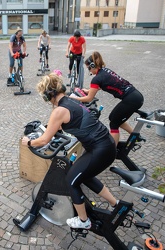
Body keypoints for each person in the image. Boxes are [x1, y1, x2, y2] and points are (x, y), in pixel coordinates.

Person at [21, 73, 118, 229]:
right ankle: (116, 204)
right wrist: (50, 127)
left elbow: (44, 140)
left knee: (71, 180)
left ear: (48, 95)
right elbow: (66, 123)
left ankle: (83, 221)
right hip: (107, 145)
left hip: (100, 150)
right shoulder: (71, 102)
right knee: (84, 176)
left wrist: (29, 142)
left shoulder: (59, 111)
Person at [70, 51, 144, 145]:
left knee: (113, 123)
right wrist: (88, 90)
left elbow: (89, 99)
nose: (89, 71)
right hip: (136, 95)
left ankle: (112, 151)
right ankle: (136, 135)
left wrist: (74, 98)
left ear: (92, 66)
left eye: (89, 69)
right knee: (114, 117)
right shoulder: (105, 71)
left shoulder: (96, 79)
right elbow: (104, 85)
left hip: (131, 100)